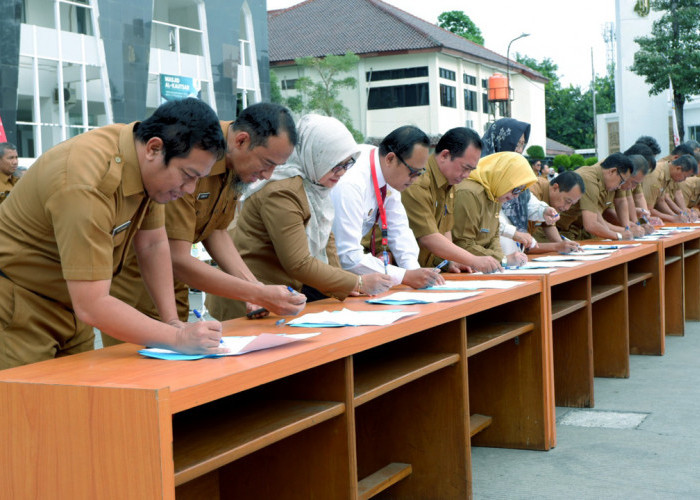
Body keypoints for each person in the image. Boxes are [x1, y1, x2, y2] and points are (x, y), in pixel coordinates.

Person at [0, 98, 228, 369]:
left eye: (197, 179)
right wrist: (178, 337)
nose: (190, 189)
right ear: (155, 148)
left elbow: (152, 244)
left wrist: (172, 322)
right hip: (18, 304)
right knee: (28, 406)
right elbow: (93, 303)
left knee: (85, 401)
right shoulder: (85, 181)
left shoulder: (146, 169)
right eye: (188, 175)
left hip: (71, 306)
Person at [107, 103, 307, 344]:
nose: (267, 175)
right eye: (266, 163)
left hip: (175, 289)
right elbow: (175, 257)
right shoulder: (196, 152)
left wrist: (256, 288)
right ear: (242, 141)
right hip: (140, 288)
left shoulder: (235, 163)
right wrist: (257, 292)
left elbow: (216, 231)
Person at [207, 115, 393, 320]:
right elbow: (298, 263)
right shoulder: (282, 190)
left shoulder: (316, 187)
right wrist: (357, 282)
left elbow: (327, 242)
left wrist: (345, 286)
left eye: (347, 165)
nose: (341, 173)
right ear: (317, 156)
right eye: (336, 164)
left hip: (277, 297)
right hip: (250, 300)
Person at [331, 125, 444, 289]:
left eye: (419, 173)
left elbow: (399, 230)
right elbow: (348, 256)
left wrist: (416, 272)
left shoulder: (387, 172)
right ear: (390, 159)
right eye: (412, 172)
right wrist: (406, 276)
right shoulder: (351, 182)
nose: (415, 180)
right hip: (326, 270)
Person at [401, 127, 502, 274]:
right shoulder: (417, 181)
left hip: (426, 268)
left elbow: (446, 229)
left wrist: (450, 261)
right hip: (401, 270)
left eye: (471, 170)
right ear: (445, 155)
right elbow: (428, 237)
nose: (466, 175)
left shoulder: (450, 181)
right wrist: (473, 260)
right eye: (465, 168)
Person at [481, 119, 558, 255]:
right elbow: (486, 219)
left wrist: (543, 210)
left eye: (522, 144)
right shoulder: (481, 173)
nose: (519, 150)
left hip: (514, 254)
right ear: (501, 141)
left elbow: (525, 199)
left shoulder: (513, 171)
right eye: (516, 144)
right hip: (488, 254)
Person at [452, 152, 536, 268]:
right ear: (503, 178)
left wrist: (501, 258)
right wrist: (503, 259)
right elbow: (462, 243)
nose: (516, 196)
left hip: (479, 266)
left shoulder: (494, 192)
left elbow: (493, 236)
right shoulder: (469, 193)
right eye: (516, 189)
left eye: (521, 191)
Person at [556, 153, 636, 241]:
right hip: (554, 230)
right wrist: (619, 235)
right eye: (621, 181)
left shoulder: (599, 181)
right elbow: (591, 225)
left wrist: (623, 232)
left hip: (572, 231)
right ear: (612, 171)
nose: (620, 187)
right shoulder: (590, 179)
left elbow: (599, 220)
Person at [528, 171, 585, 253]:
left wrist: (563, 245)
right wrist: (557, 246)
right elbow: (522, 245)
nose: (567, 208)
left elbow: (549, 225)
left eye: (571, 204)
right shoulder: (532, 192)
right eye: (567, 201)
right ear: (555, 188)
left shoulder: (552, 200)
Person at [606, 154, 653, 236]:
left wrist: (637, 225)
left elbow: (625, 201)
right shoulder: (616, 177)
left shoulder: (625, 181)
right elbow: (605, 213)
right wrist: (628, 229)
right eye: (634, 183)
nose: (633, 187)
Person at [642, 153, 698, 222]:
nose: (684, 180)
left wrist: (677, 216)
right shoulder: (656, 175)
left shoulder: (669, 173)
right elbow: (648, 209)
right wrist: (673, 218)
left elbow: (661, 201)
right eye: (685, 176)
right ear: (678, 168)